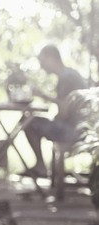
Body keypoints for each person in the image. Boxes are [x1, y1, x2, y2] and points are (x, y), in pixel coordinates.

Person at [21, 44, 87, 178]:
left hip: (74, 131)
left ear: (51, 57)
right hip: (77, 128)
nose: (41, 66)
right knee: (30, 119)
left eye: (42, 61)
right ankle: (40, 166)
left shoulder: (67, 77)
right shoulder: (68, 74)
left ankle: (40, 166)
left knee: (28, 121)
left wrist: (43, 96)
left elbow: (65, 110)